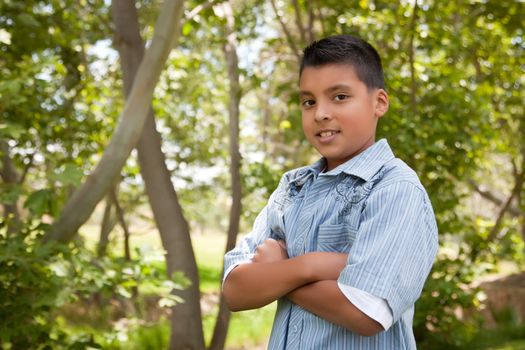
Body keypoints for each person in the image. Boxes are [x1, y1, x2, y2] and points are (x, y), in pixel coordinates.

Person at [222, 34, 438, 349]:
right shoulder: (293, 187)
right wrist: (315, 265)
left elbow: (366, 312)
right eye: (309, 101)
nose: (320, 113)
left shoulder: (395, 188)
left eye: (339, 97)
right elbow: (235, 291)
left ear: (379, 102)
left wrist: (277, 273)